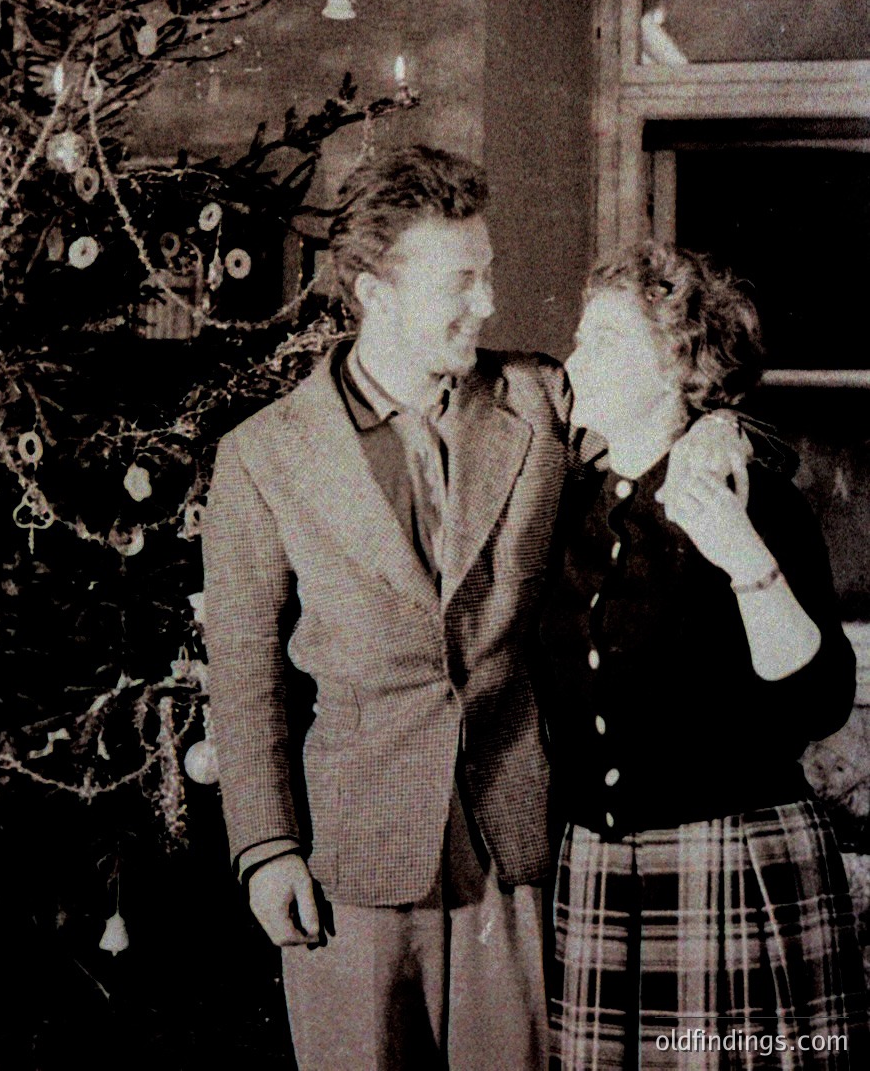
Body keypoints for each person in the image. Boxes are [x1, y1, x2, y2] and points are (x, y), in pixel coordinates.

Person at [202, 148, 745, 1070]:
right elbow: (242, 669)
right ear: (374, 292)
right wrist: (266, 847)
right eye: (462, 280)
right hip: (353, 858)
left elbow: (667, 386)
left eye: (486, 274)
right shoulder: (262, 454)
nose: (489, 303)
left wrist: (718, 425)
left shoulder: (538, 398)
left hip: (515, 844)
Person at [538, 242, 866, 1071]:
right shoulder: (566, 502)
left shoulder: (750, 493)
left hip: (727, 861)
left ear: (678, 368)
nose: (574, 360)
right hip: (597, 866)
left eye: (606, 341)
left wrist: (739, 553)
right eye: (580, 337)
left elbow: (819, 699)